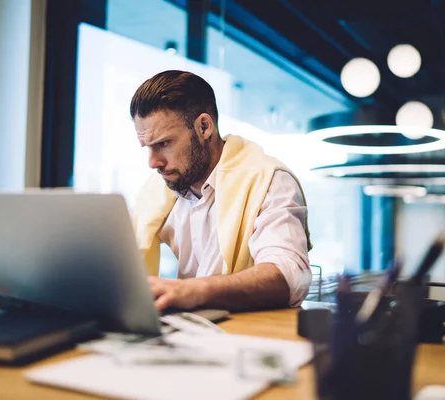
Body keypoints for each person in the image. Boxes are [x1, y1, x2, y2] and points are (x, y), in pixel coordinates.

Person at [131, 70, 312, 312]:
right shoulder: (158, 192)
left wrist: (194, 290)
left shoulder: (268, 180)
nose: (153, 162)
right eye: (147, 147)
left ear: (204, 127)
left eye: (163, 144)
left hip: (249, 336)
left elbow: (289, 275)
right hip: (191, 333)